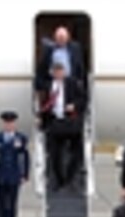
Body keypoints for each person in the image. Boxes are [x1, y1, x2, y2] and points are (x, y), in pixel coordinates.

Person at [40, 62, 87, 191]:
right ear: (52, 73)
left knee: (76, 153)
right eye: (56, 71)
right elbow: (44, 105)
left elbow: (83, 99)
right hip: (55, 122)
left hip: (71, 122)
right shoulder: (48, 86)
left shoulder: (72, 83)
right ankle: (59, 180)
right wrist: (43, 123)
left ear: (64, 72)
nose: (58, 74)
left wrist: (74, 106)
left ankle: (70, 179)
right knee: (54, 154)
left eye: (60, 71)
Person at [35, 25, 85, 92]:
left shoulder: (75, 49)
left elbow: (80, 68)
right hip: (54, 84)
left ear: (68, 37)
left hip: (71, 84)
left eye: (63, 37)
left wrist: (82, 86)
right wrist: (46, 85)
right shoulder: (49, 50)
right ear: (55, 37)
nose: (61, 39)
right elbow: (42, 70)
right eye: (59, 37)